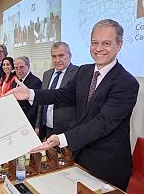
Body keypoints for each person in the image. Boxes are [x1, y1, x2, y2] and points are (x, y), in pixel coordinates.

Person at [8, 19, 139, 191]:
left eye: (106, 43)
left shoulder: (126, 82)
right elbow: (62, 93)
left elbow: (102, 123)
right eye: (94, 43)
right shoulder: (84, 71)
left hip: (107, 165)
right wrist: (31, 94)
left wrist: (62, 138)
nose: (99, 48)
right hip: (80, 157)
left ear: (119, 45)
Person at [35, 42, 78, 140]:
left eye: (61, 56)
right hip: (47, 129)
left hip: (67, 131)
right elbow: (42, 101)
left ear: (70, 56)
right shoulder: (47, 74)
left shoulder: (78, 73)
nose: (57, 60)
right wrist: (38, 125)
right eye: (54, 56)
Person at [12, 56, 42, 128]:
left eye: (21, 67)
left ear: (28, 66)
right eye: (16, 68)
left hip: (28, 122)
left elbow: (36, 107)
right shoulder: (14, 82)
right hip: (15, 120)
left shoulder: (36, 82)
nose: (18, 70)